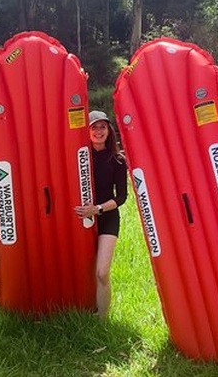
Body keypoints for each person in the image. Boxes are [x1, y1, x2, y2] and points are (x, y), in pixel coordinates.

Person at [73, 110, 128, 319]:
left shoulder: (118, 160)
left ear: (109, 131)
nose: (98, 131)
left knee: (102, 271)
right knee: (84, 270)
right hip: (81, 218)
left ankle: (102, 319)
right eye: (93, 127)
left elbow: (122, 197)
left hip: (107, 217)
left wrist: (97, 209)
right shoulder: (79, 157)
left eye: (102, 127)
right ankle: (84, 309)